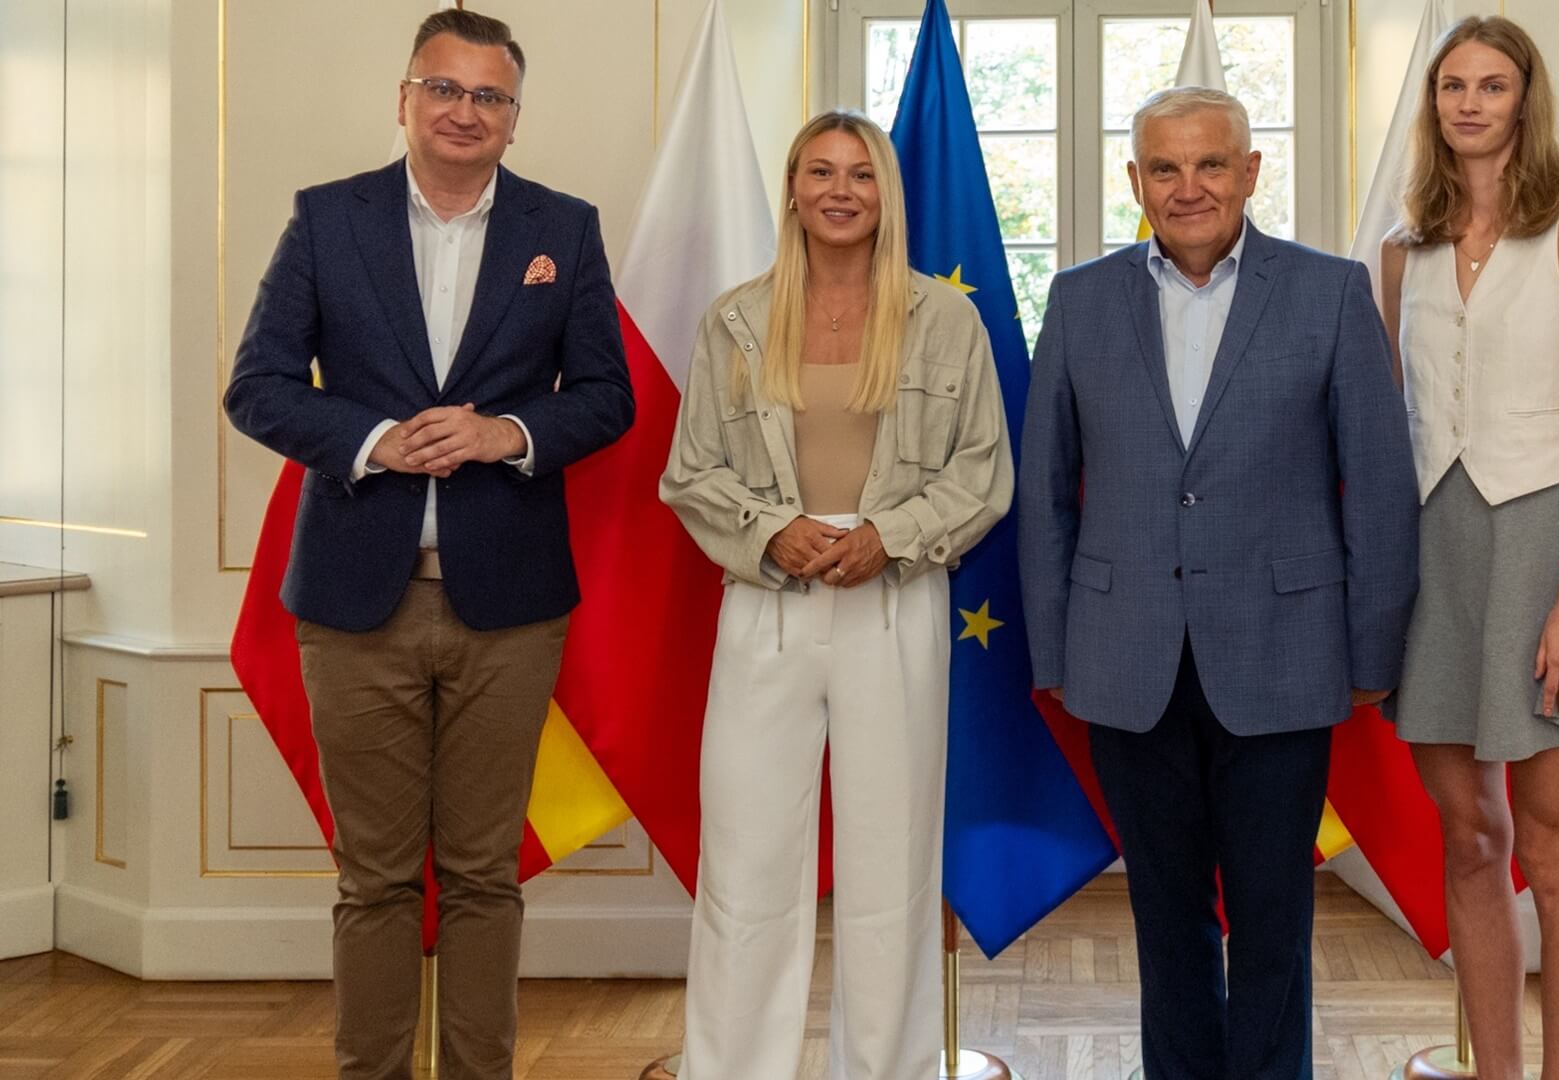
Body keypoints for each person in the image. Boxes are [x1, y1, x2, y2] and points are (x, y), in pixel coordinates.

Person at [223, 11, 633, 1078]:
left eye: (488, 97)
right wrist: (370, 441)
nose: (464, 111)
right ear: (402, 99)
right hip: (358, 599)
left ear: (513, 119)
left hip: (510, 603)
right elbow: (256, 388)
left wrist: (510, 432)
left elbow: (608, 399)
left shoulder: (566, 228)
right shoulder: (327, 221)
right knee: (375, 879)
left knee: (486, 873)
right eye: (443, 89)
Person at [1019, 87, 1419, 1080]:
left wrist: (1373, 652)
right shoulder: (1079, 299)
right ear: (1135, 183)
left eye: (1209, 165)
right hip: (1125, 654)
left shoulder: (1328, 292)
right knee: (1165, 915)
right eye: (1164, 167)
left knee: (1275, 916)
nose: (1187, 187)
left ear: (1250, 172)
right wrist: (1056, 648)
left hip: (1286, 655)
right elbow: (1044, 496)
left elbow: (1378, 485)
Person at [658, 109, 1012, 1080]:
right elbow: (691, 473)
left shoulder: (945, 321)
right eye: (821, 172)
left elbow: (983, 474)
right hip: (766, 599)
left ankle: (890, 1068)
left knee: (890, 870)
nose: (841, 190)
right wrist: (775, 530)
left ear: (884, 192)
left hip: (896, 602)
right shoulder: (736, 318)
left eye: (860, 173)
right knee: (746, 865)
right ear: (794, 190)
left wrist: (887, 538)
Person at [1379, 16, 1559, 1080]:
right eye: (1453, 85)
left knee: (1552, 849)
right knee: (1472, 843)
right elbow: (1400, 420)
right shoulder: (1406, 254)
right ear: (1434, 105)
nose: (1470, 102)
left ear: (1524, 102)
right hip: (1437, 554)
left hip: (1546, 547)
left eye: (1492, 85)